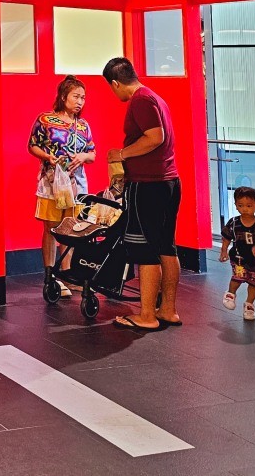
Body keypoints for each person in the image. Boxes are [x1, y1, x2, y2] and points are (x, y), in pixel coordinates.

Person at [103, 56, 182, 331]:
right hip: (169, 181)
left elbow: (155, 137)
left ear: (115, 83)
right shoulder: (156, 98)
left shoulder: (140, 100)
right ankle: (168, 309)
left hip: (149, 184)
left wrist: (121, 153)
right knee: (166, 247)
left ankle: (146, 315)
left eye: (111, 89)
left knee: (146, 250)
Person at [28, 75, 97, 293]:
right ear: (63, 96)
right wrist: (48, 157)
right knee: (50, 228)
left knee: (70, 227)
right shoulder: (45, 120)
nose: (80, 102)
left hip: (75, 184)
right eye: (76, 96)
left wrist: (84, 157)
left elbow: (93, 153)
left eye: (83, 98)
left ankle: (67, 274)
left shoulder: (83, 125)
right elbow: (32, 145)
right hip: (51, 183)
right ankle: (50, 275)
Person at [219, 186, 255, 321]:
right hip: (238, 258)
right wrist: (224, 250)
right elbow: (226, 237)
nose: (245, 209)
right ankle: (230, 294)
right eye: (241, 205)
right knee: (238, 276)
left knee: (254, 282)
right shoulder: (233, 223)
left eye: (249, 205)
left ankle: (249, 305)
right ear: (236, 205)